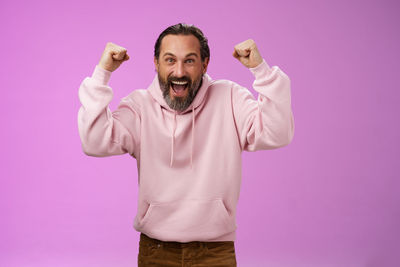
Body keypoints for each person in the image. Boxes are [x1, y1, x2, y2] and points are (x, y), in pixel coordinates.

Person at [78, 23, 294, 267]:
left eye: (189, 61)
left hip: (215, 251)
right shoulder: (139, 106)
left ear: (205, 64)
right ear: (156, 63)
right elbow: (94, 141)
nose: (179, 71)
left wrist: (261, 70)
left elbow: (277, 133)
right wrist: (102, 73)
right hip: (156, 250)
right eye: (170, 60)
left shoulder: (230, 98)